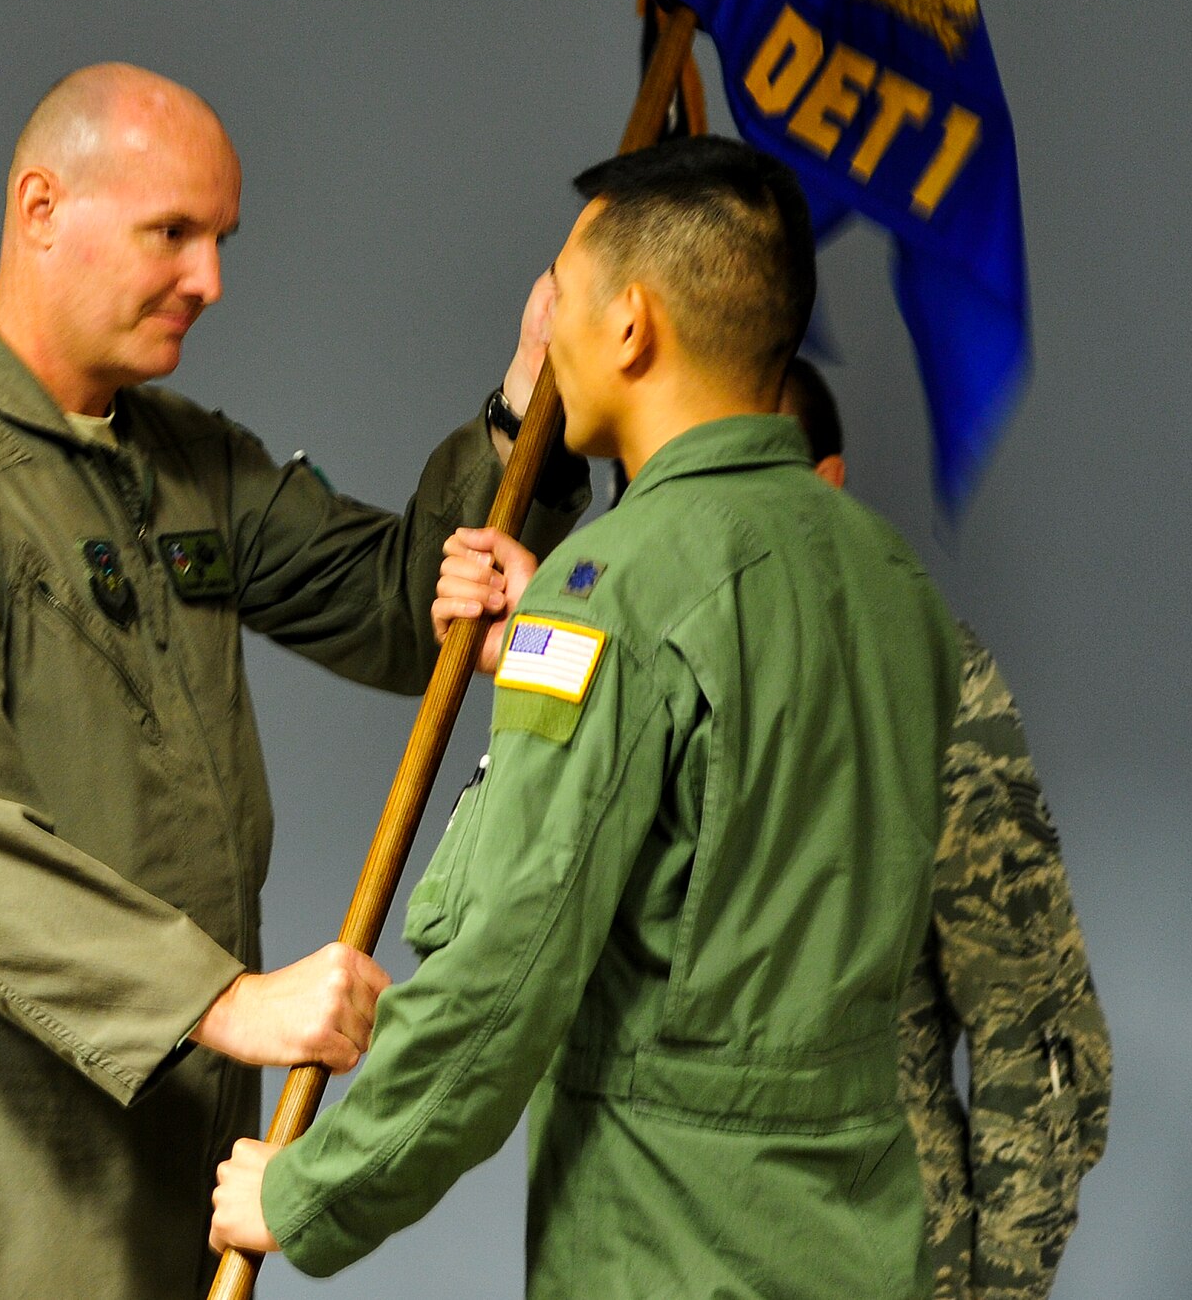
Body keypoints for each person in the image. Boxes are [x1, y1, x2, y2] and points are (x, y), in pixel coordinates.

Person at [0, 63, 586, 1300]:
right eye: (174, 233)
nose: (208, 279)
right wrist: (223, 997)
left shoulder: (185, 460)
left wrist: (524, 397)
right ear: (41, 207)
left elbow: (398, 603)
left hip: (178, 1139)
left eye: (220, 239)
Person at [210, 135, 963, 1300]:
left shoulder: (611, 590)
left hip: (672, 1248)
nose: (544, 329)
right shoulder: (886, 576)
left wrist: (309, 1188)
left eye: (558, 293)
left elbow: (503, 975)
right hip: (858, 1239)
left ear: (628, 327)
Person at [782, 357, 1113, 1300]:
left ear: (826, 484)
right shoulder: (632, 659)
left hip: (880, 1256)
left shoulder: (922, 672)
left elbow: (1025, 1016)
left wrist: (1000, 1288)